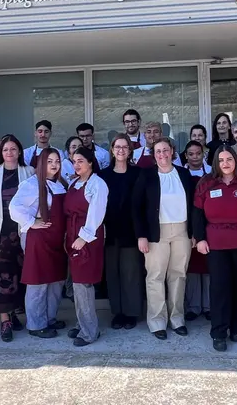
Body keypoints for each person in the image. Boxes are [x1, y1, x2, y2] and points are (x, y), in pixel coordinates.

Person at [193, 145, 237, 352]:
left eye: (229, 159)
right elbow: (197, 213)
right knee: (219, 288)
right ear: (216, 162)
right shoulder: (206, 183)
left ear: (236, 161)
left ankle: (236, 327)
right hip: (215, 244)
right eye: (222, 160)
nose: (225, 163)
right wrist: (200, 239)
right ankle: (218, 332)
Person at [132, 138, 193, 340]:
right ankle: (157, 321)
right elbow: (137, 208)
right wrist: (141, 235)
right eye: (157, 151)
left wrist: (194, 234)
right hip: (155, 233)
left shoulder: (183, 174)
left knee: (178, 275)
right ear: (153, 154)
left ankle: (177, 319)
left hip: (182, 231)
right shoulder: (146, 175)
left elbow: (194, 206)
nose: (162, 155)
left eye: (165, 150)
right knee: (155, 276)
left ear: (172, 151)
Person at [0, 134, 34, 342]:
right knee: (0, 274)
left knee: (19, 274)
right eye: (5, 150)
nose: (9, 153)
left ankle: (13, 313)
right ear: (0, 153)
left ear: (19, 151)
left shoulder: (29, 172)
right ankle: (4, 320)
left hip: (21, 231)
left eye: (13, 149)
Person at [10, 148, 69, 339]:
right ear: (41, 163)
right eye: (50, 161)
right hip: (39, 238)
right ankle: (36, 324)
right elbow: (14, 208)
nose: (54, 165)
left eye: (57, 161)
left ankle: (49, 318)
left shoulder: (60, 184)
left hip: (57, 240)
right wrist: (32, 222)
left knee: (56, 280)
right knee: (39, 281)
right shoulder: (31, 184)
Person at [64, 147, 109, 347]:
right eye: (74, 161)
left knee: (84, 284)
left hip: (88, 238)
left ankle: (90, 331)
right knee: (76, 284)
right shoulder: (74, 182)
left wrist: (84, 237)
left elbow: (96, 213)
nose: (77, 165)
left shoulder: (97, 184)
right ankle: (83, 323)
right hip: (73, 234)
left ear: (91, 162)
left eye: (81, 161)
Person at [99, 134, 144, 330]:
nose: (121, 150)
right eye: (118, 146)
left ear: (130, 150)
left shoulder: (138, 174)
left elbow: (143, 204)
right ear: (112, 149)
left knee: (131, 273)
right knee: (113, 274)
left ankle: (132, 312)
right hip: (110, 231)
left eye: (125, 147)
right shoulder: (103, 175)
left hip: (132, 232)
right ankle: (117, 312)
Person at [182, 141, 211, 322]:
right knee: (191, 268)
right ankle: (193, 306)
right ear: (186, 155)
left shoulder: (211, 174)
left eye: (197, 154)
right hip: (187, 226)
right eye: (190, 154)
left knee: (208, 268)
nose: (194, 157)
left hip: (208, 226)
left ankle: (208, 306)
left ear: (203, 154)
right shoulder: (181, 174)